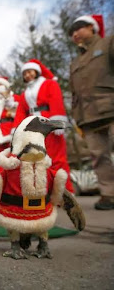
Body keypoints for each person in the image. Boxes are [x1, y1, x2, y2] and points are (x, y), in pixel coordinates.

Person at [69, 14, 114, 210]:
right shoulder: (75, 63)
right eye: (71, 32)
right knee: (98, 156)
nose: (75, 34)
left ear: (91, 27)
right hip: (87, 116)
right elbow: (74, 92)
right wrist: (76, 117)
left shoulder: (107, 44)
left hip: (110, 107)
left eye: (78, 28)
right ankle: (108, 194)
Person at [13, 59, 74, 193]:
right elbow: (21, 111)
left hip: (48, 121)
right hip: (32, 127)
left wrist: (56, 121)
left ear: (36, 71)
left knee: (57, 157)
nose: (27, 75)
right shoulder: (25, 93)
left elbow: (56, 100)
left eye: (29, 72)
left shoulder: (49, 84)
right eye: (25, 74)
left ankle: (65, 191)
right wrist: (18, 129)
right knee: (37, 157)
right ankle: (45, 190)